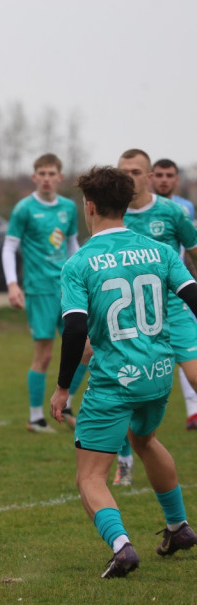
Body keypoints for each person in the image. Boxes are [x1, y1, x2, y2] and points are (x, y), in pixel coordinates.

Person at [50, 165, 197, 578]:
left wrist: (63, 389)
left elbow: (75, 327)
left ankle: (122, 547)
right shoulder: (160, 251)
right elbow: (193, 297)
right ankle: (178, 526)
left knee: (90, 478)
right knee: (145, 439)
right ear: (127, 205)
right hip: (159, 373)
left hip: (115, 381)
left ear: (90, 206)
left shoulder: (80, 263)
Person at [114, 149, 197, 485]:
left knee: (195, 376)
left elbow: (193, 253)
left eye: (135, 172)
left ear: (148, 176)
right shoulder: (113, 216)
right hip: (131, 319)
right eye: (122, 172)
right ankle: (123, 460)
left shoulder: (173, 212)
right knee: (118, 389)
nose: (127, 178)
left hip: (174, 313)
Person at [2, 153, 86, 433]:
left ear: (60, 177)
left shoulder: (68, 208)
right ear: (34, 177)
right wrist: (13, 284)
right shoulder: (24, 209)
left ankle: (68, 402)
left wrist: (82, 276)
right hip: (39, 290)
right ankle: (36, 418)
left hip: (67, 290)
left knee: (86, 349)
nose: (47, 179)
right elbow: (9, 247)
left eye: (52, 174)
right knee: (45, 355)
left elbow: (72, 245)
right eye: (42, 173)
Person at [149, 159, 197, 432]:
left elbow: (190, 249)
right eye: (160, 175)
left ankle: (192, 412)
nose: (164, 179)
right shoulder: (134, 211)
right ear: (151, 177)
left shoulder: (183, 208)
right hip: (147, 300)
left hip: (179, 292)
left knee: (189, 356)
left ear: (176, 179)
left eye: (169, 175)